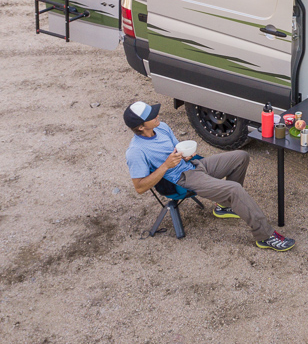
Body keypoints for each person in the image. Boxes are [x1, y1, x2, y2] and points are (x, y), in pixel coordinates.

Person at [123, 101, 295, 252]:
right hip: (181, 179)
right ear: (140, 127)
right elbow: (140, 187)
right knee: (234, 190)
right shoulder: (136, 152)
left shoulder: (161, 127)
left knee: (241, 157)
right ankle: (265, 236)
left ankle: (224, 206)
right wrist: (166, 165)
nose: (157, 115)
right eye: (152, 116)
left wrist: (185, 155)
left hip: (193, 165)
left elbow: (177, 148)